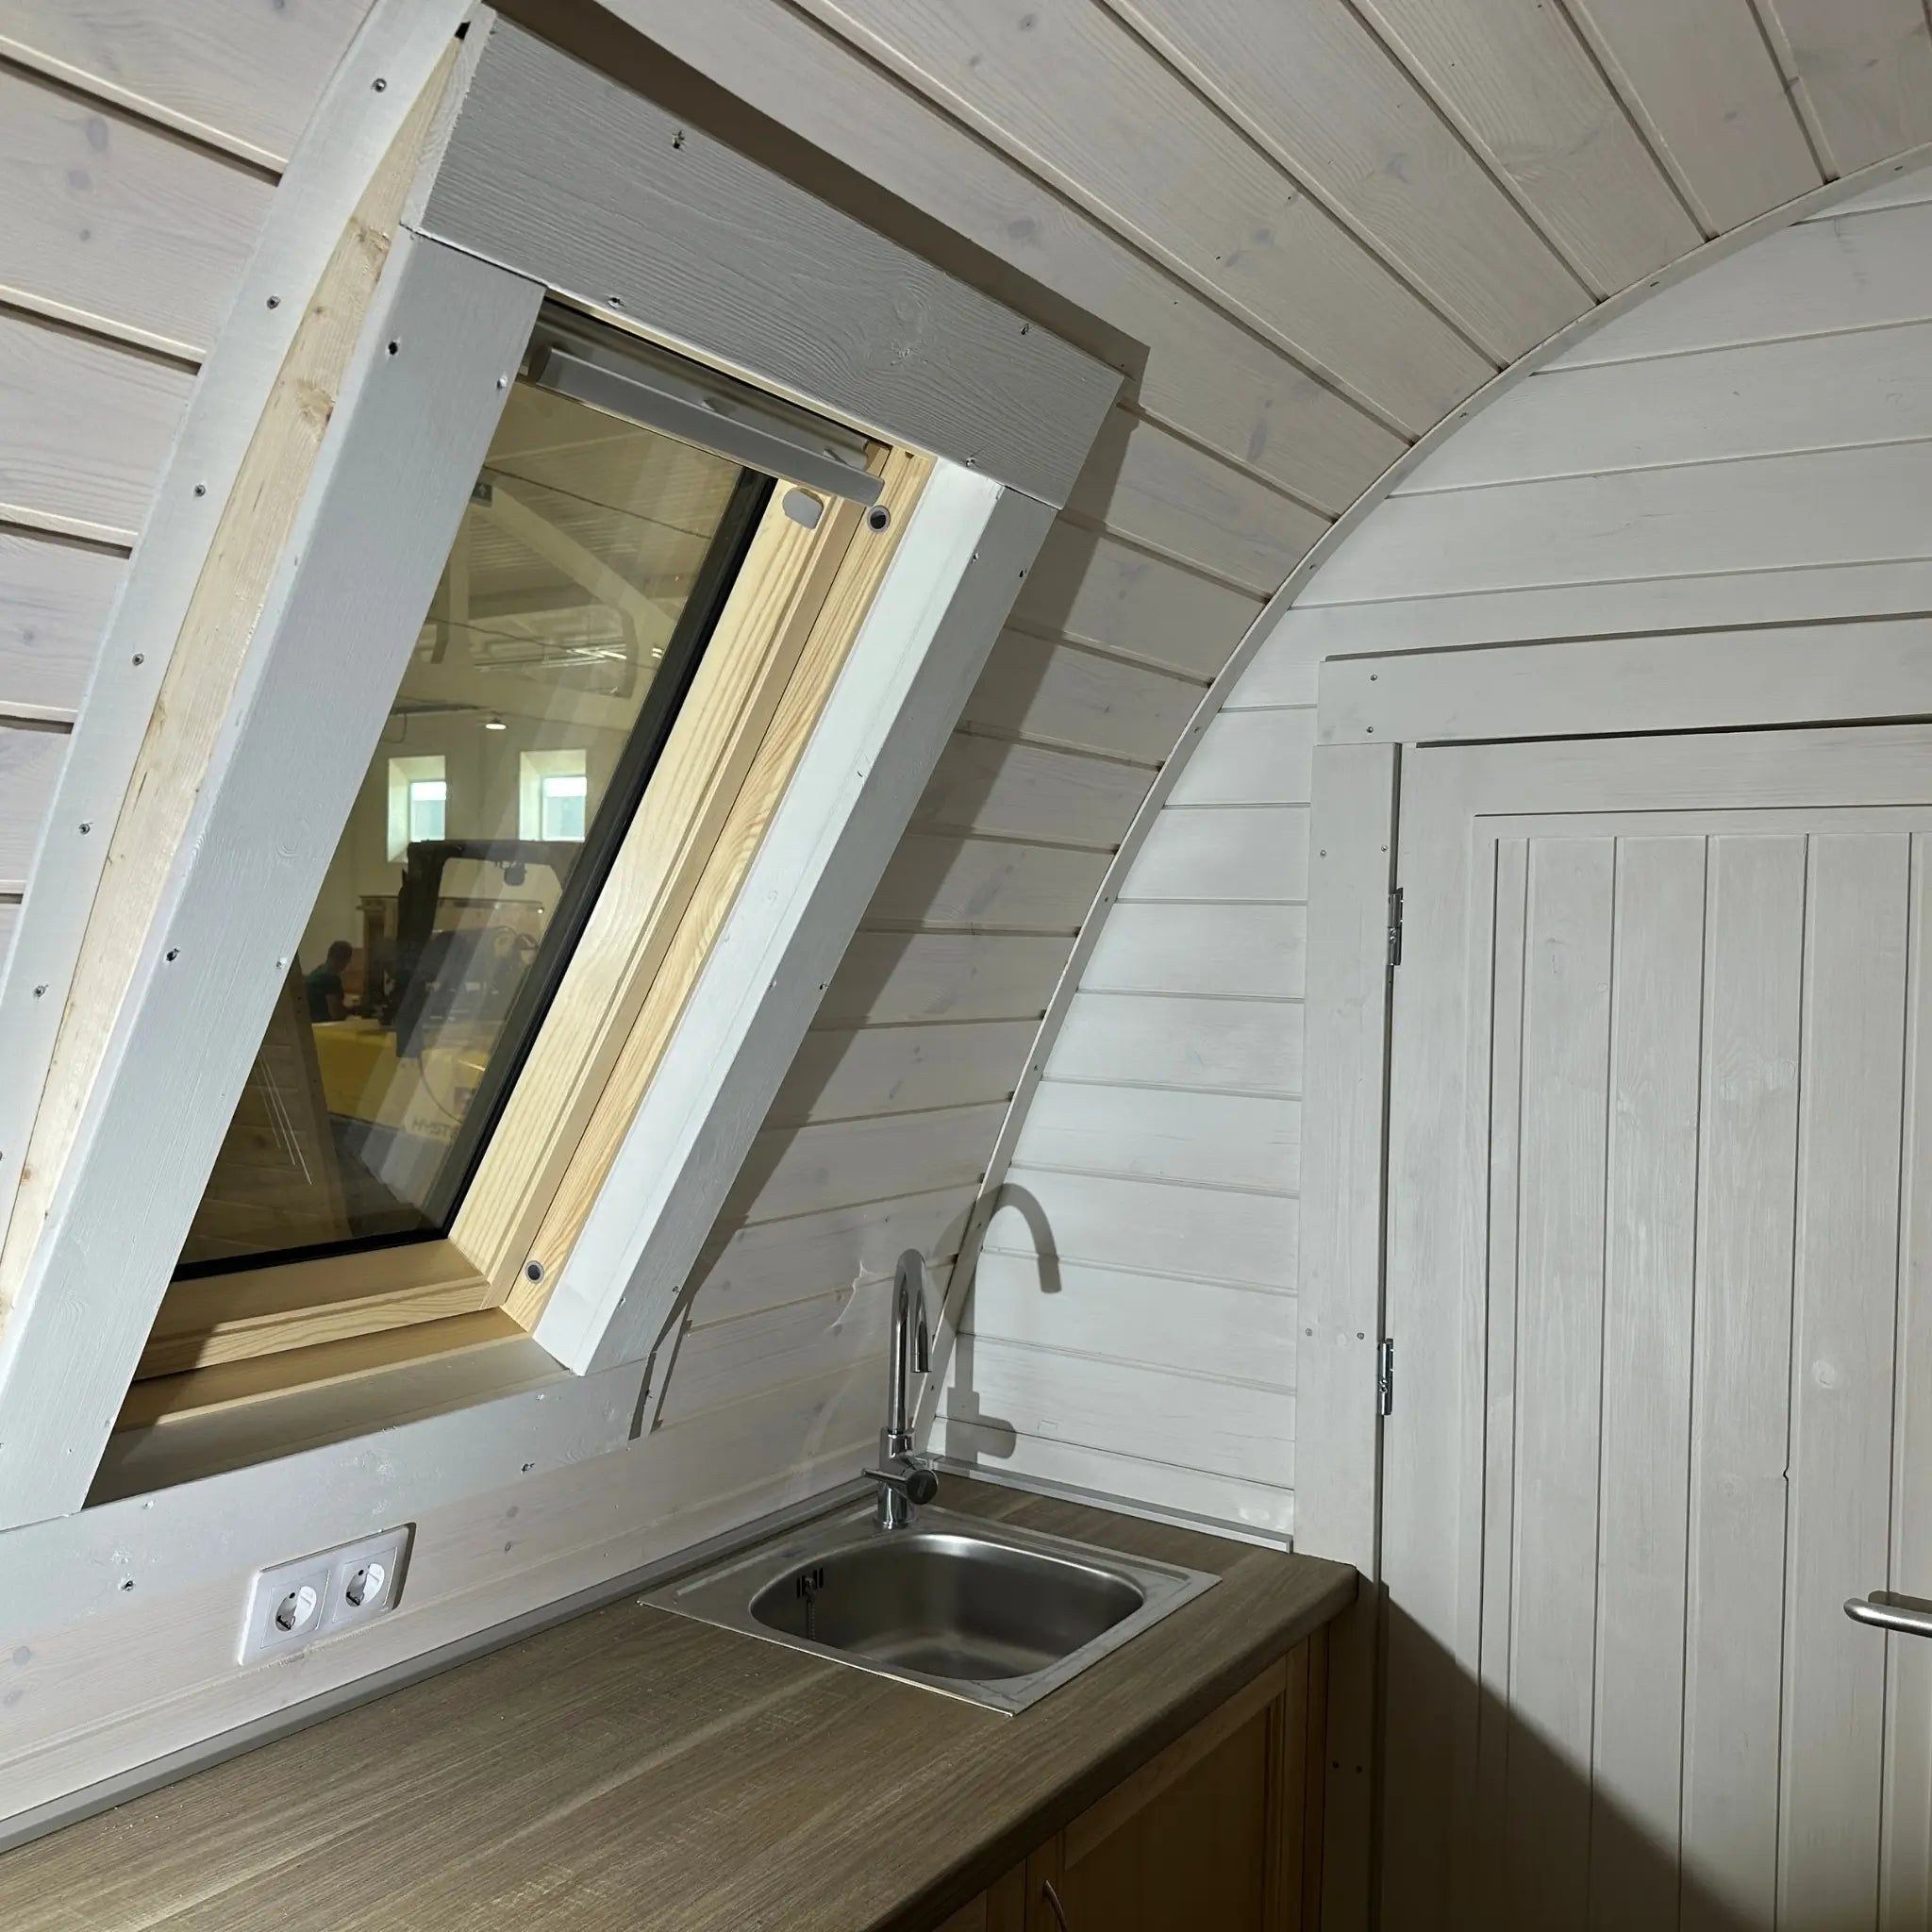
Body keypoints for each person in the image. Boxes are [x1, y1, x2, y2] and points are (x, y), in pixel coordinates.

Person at [306, 941, 354, 1022]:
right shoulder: (331, 978)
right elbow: (336, 1014)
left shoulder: (317, 971)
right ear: (343, 960)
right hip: (322, 1024)